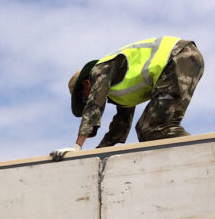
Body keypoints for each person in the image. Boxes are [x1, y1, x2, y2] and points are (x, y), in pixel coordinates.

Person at [51, 36, 204, 160]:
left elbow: (94, 107)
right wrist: (97, 155)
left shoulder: (99, 70)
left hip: (177, 56)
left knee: (153, 127)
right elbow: (120, 126)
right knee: (148, 130)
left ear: (86, 84)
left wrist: (77, 147)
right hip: (183, 59)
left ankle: (200, 155)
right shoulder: (121, 90)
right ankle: (188, 158)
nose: (86, 101)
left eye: (84, 97)